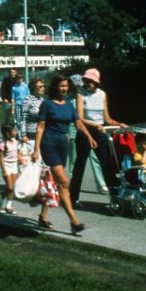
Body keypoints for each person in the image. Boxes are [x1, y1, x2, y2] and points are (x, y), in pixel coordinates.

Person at [32, 74, 94, 234]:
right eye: (61, 86)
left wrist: (89, 136)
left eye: (66, 86)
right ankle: (74, 221)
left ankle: (43, 216)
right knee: (64, 183)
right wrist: (36, 149)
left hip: (63, 146)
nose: (64, 89)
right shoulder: (47, 104)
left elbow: (78, 122)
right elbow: (40, 126)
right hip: (49, 145)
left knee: (55, 182)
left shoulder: (68, 105)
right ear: (55, 87)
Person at [70, 68, 126, 204]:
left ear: (96, 82)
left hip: (100, 132)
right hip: (85, 131)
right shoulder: (80, 95)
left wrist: (119, 124)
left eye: (90, 81)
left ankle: (115, 196)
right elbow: (80, 118)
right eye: (86, 81)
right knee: (80, 165)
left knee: (106, 164)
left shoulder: (102, 95)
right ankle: (73, 198)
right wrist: (96, 125)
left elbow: (106, 119)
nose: (87, 83)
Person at [66, 74, 108, 194]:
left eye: (80, 85)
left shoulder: (86, 95)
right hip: (74, 128)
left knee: (95, 158)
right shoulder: (69, 98)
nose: (79, 87)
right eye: (76, 85)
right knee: (75, 159)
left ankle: (101, 183)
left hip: (88, 127)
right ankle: (72, 185)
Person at [0, 123, 22, 214]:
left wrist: (21, 159)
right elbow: (1, 158)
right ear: (8, 133)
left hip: (14, 165)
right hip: (6, 166)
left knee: (11, 187)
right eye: (14, 130)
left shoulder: (16, 142)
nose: (16, 132)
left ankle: (8, 206)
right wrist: (4, 170)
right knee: (10, 187)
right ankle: (0, 199)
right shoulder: (3, 144)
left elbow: (18, 153)